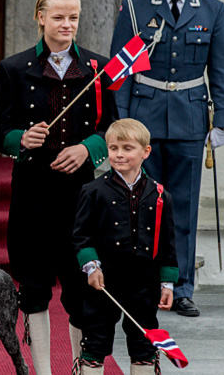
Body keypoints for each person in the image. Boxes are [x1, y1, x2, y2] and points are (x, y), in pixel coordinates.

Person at [0, 0, 118, 374]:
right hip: (32, 193)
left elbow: (111, 126)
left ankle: (81, 368)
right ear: (40, 17)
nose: (67, 25)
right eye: (59, 17)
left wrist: (88, 149)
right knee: (33, 287)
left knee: (81, 289)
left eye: (73, 18)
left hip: (81, 196)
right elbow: (0, 130)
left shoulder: (99, 68)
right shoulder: (14, 68)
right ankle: (43, 371)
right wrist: (21, 139)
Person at [110, 0, 224, 317]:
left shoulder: (211, 9)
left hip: (190, 121)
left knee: (183, 207)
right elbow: (119, 70)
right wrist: (122, 123)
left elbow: (221, 70)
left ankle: (180, 288)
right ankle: (143, 284)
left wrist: (222, 121)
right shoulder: (136, 7)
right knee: (140, 205)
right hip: (143, 121)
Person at [72, 118, 178, 375]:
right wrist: (91, 267)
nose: (119, 154)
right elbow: (81, 235)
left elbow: (168, 242)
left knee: (144, 341)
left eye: (127, 148)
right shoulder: (92, 190)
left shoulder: (160, 194)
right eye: (113, 148)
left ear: (145, 151)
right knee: (95, 338)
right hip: (104, 282)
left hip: (144, 283)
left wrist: (167, 283)